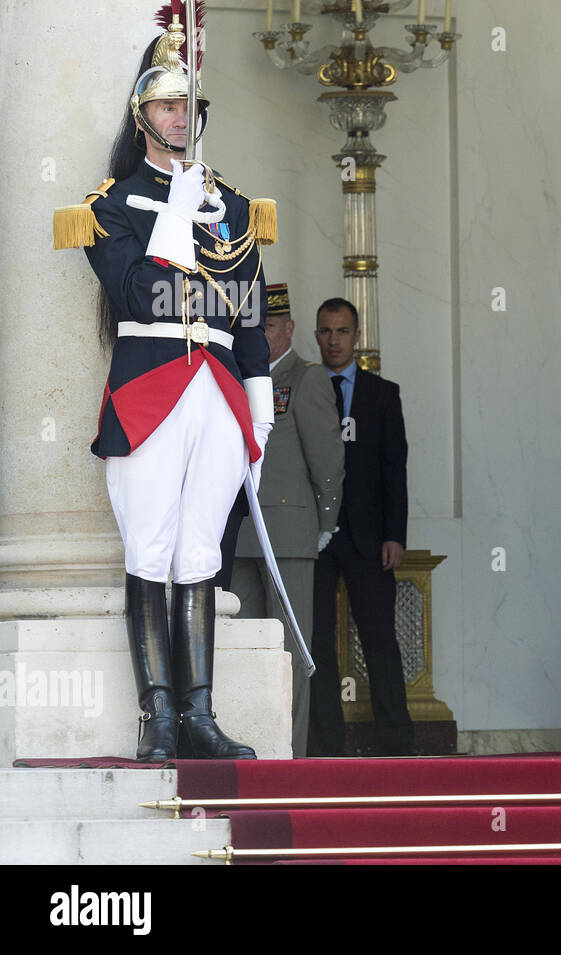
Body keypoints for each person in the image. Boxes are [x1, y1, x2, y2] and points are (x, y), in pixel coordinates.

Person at [54, 6, 275, 760]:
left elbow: (246, 312)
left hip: (217, 393)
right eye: (167, 104)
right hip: (149, 389)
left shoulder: (236, 208)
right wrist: (175, 218)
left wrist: (262, 409)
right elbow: (130, 293)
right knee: (149, 549)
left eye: (188, 105)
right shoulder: (109, 207)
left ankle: (201, 717)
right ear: (142, 113)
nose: (180, 116)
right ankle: (160, 719)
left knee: (200, 555)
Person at [228, 283, 345, 757]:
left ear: (290, 329)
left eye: (269, 325)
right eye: (252, 326)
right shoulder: (235, 377)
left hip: (290, 537)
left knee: (291, 654)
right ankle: (250, 748)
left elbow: (328, 459)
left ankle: (288, 756)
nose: (259, 335)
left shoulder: (307, 378)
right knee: (243, 650)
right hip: (238, 536)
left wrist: (325, 522)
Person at [308, 297, 413, 756]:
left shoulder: (381, 393)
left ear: (356, 336)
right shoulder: (301, 387)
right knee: (317, 640)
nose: (334, 340)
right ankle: (324, 744)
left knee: (379, 638)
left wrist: (396, 533)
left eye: (342, 331)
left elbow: (395, 467)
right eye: (326, 331)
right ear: (316, 336)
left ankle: (396, 743)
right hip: (313, 534)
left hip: (370, 536)